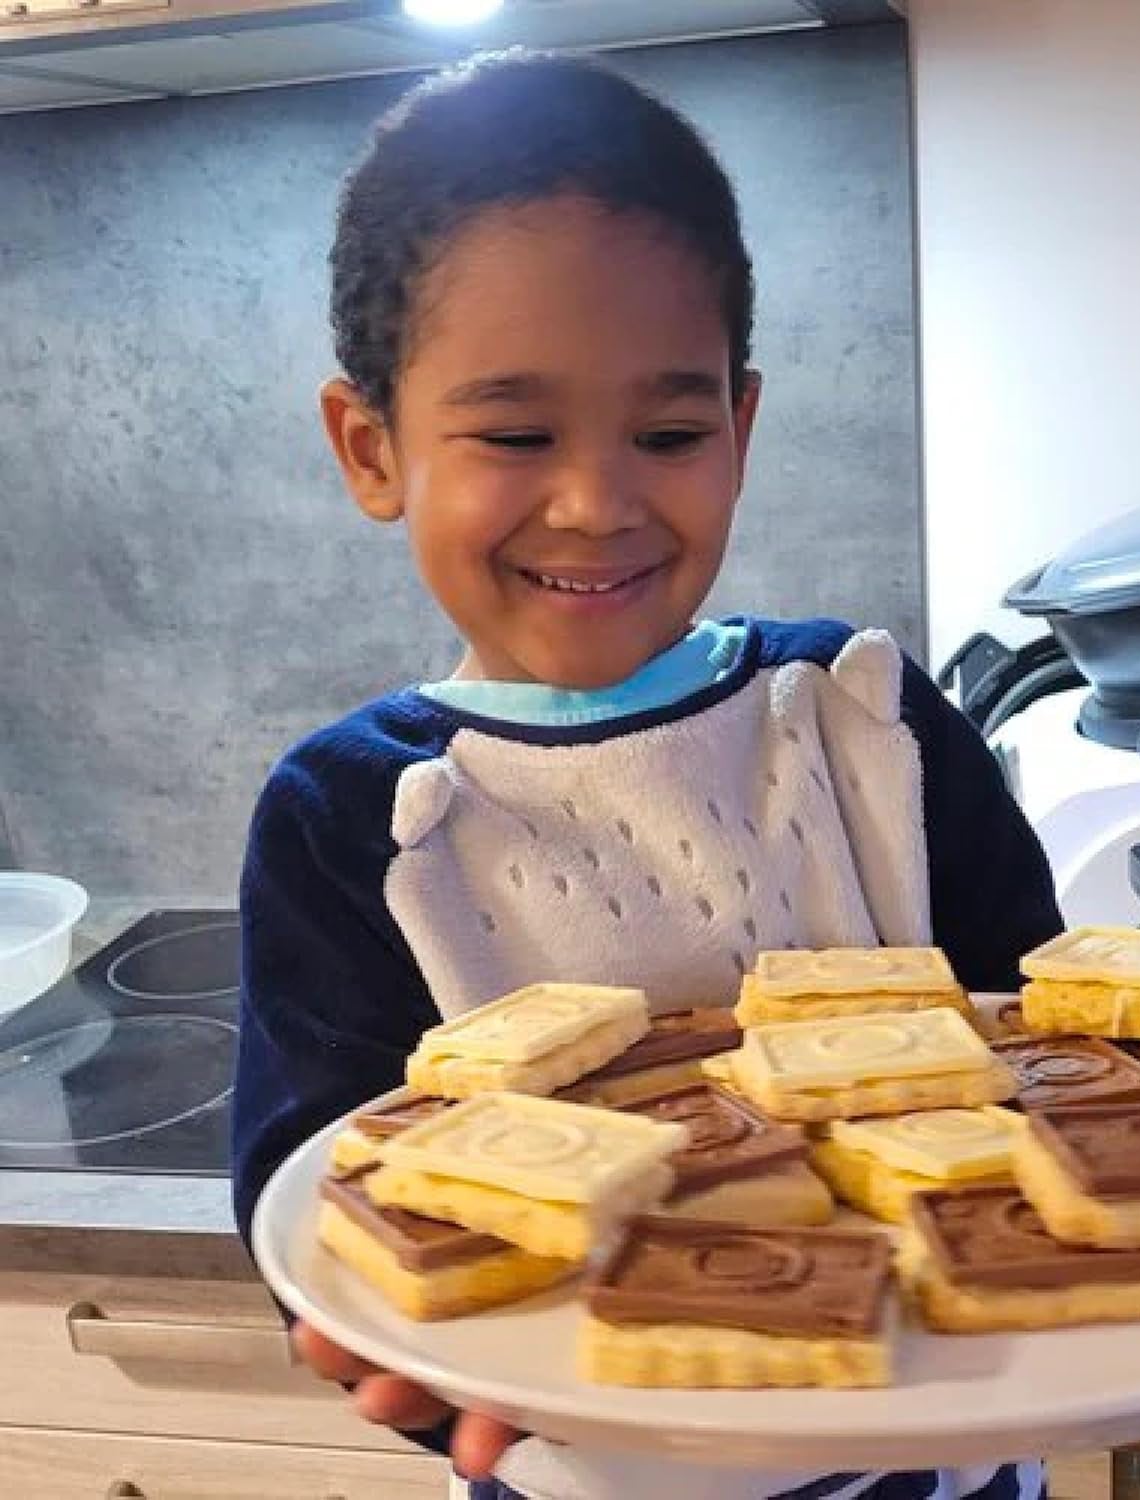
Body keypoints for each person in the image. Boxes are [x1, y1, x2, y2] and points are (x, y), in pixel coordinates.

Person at [232, 50, 1062, 1500]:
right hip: (583, 1467)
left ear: (738, 428)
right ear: (373, 448)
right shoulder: (357, 822)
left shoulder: (862, 723)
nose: (599, 501)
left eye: (669, 433)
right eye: (515, 434)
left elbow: (1046, 1043)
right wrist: (405, 1365)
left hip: (938, 1455)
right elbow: (322, 1180)